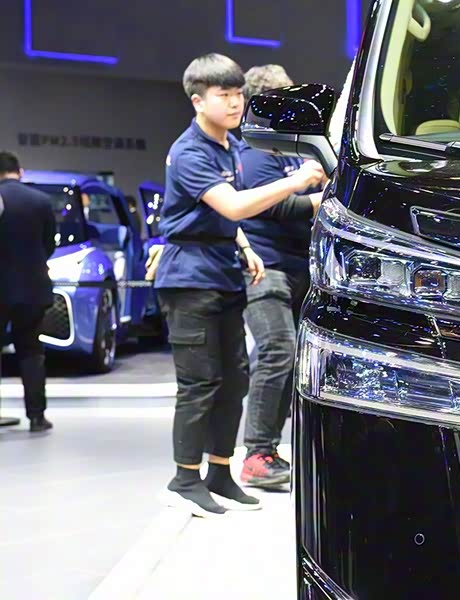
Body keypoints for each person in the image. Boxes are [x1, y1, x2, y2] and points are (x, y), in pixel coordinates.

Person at [153, 53, 325, 519]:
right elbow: (231, 206)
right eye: (223, 95)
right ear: (198, 101)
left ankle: (219, 472)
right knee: (200, 383)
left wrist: (245, 246)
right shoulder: (189, 151)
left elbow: (228, 219)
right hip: (190, 279)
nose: (233, 103)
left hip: (226, 272)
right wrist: (297, 182)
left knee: (234, 381)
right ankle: (184, 480)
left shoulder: (228, 144)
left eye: (237, 94)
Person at [236, 64, 325, 488]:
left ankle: (271, 450)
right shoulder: (256, 153)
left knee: (292, 360)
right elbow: (274, 208)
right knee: (276, 350)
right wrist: (318, 198)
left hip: (296, 268)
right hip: (265, 267)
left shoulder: (289, 151)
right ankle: (257, 453)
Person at [0, 151, 56, 432]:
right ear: (19, 172)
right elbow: (49, 245)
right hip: (32, 289)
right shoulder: (41, 201)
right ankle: (36, 416)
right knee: (32, 351)